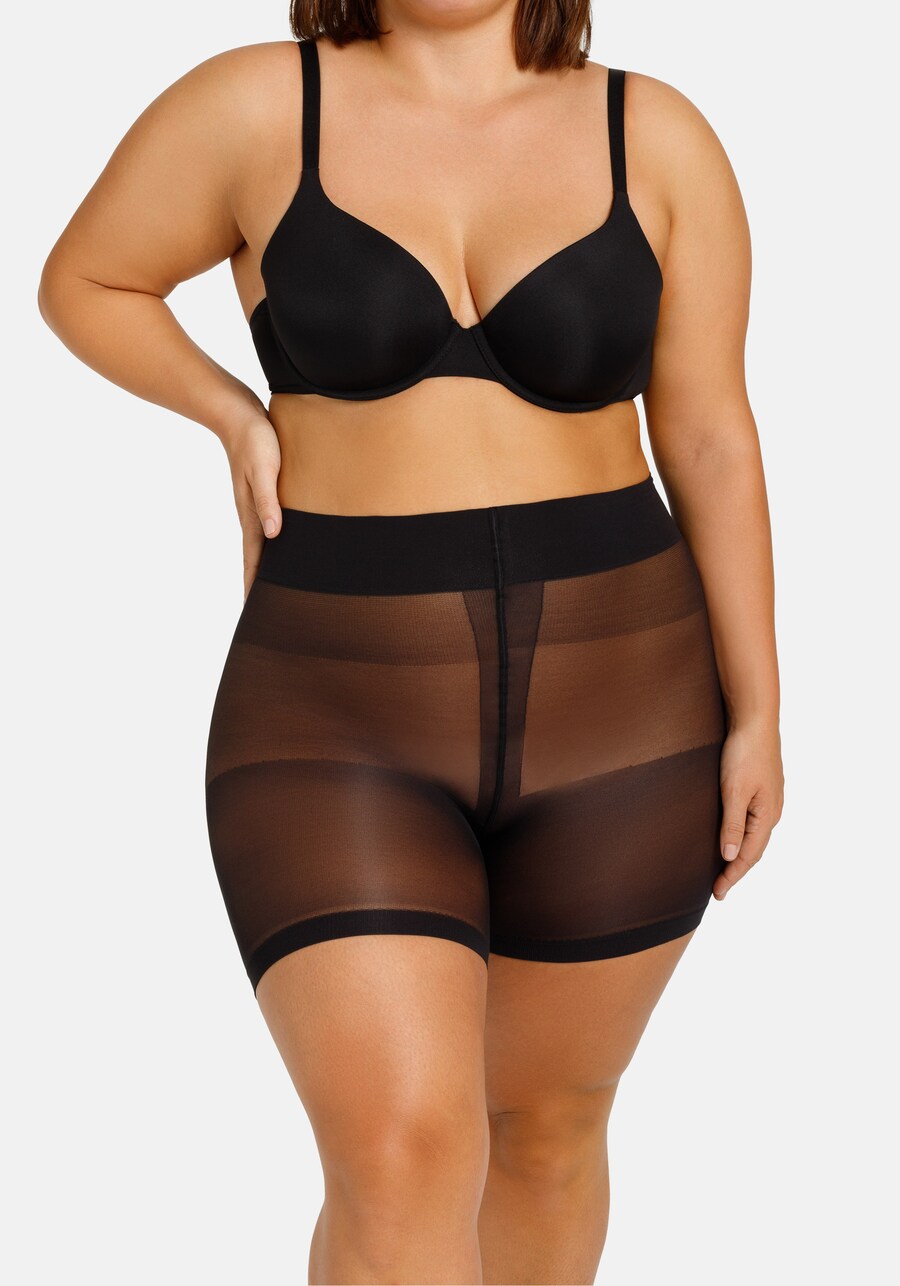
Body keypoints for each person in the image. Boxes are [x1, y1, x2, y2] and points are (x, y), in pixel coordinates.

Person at [37, 1, 784, 1280]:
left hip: (627, 705)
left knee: (544, 1132)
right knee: (399, 1153)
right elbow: (87, 279)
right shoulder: (257, 106)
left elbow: (711, 434)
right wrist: (234, 416)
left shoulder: (655, 134)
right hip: (333, 708)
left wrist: (760, 708)